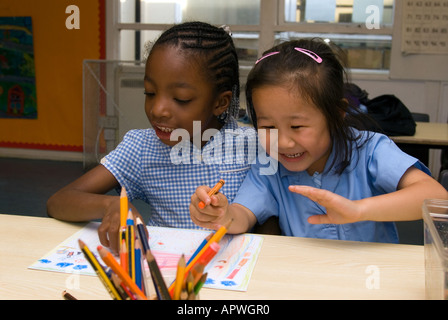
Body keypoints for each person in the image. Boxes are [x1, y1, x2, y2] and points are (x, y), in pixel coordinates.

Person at [190, 38, 448, 243]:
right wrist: (221, 216)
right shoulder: (268, 165)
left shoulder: (370, 150)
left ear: (336, 114)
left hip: (372, 280)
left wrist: (359, 210)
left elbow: (438, 198)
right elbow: (242, 215)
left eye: (297, 126)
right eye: (268, 126)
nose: (284, 142)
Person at [47, 21, 253, 252]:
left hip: (238, 270)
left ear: (220, 102)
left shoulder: (253, 146)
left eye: (181, 98)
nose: (157, 110)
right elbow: (59, 201)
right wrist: (111, 205)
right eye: (150, 93)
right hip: (167, 271)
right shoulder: (143, 147)